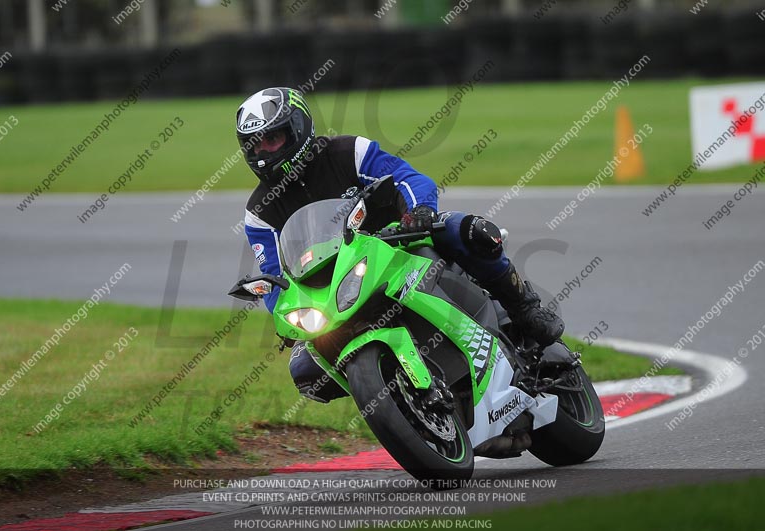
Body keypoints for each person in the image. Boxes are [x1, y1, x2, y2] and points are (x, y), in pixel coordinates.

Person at [237, 87, 563, 402]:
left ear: (298, 130)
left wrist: (419, 211)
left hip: (401, 242)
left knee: (467, 230)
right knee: (305, 367)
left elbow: (408, 178)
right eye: (255, 145)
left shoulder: (348, 152)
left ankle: (523, 307)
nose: (264, 153)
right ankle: (394, 397)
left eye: (272, 139)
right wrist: (286, 314)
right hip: (336, 288)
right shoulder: (259, 214)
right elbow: (275, 277)